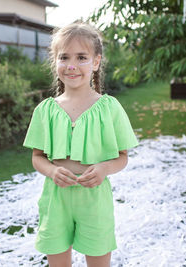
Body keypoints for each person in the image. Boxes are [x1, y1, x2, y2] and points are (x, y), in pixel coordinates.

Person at [23, 21, 139, 267]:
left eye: (82, 57)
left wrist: (104, 169)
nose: (72, 65)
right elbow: (37, 157)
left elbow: (122, 156)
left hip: (94, 199)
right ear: (55, 63)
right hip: (56, 199)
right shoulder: (46, 110)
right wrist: (53, 170)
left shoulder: (109, 108)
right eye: (64, 57)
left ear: (96, 62)